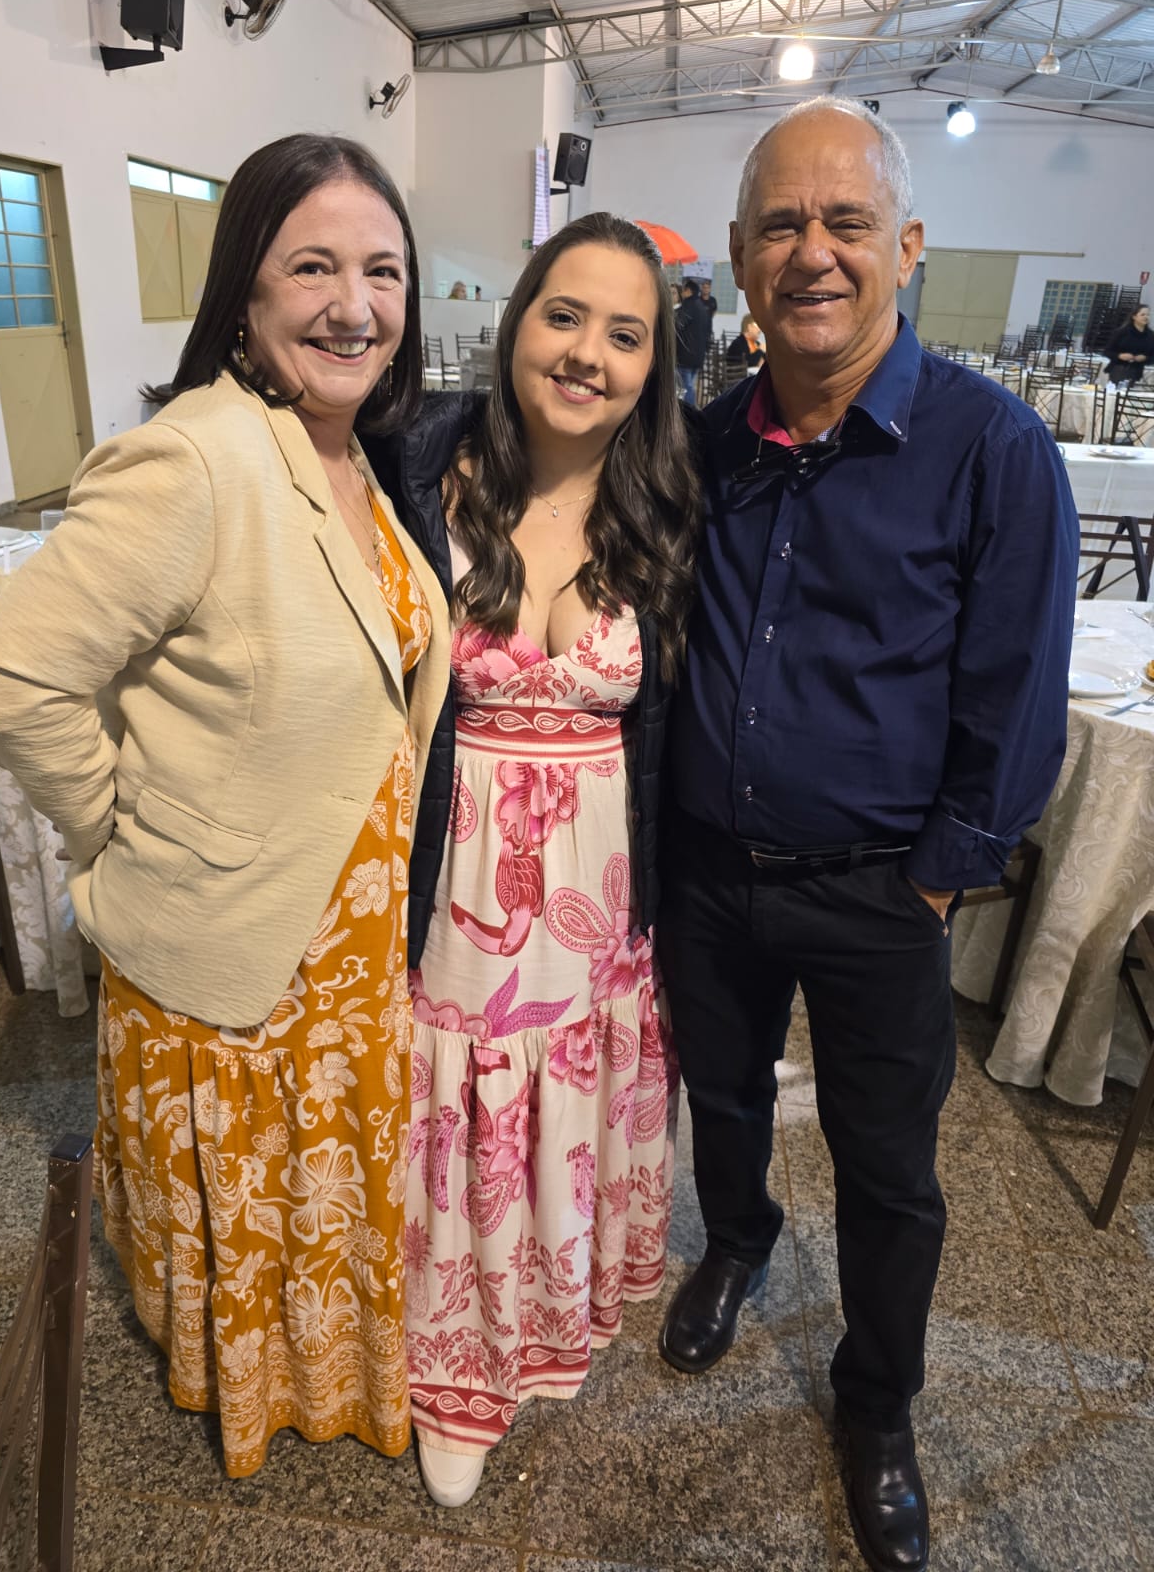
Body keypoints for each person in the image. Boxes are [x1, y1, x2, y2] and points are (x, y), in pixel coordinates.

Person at [0, 134, 452, 1479]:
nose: (355, 304)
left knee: (330, 1194)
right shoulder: (199, 458)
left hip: (345, 951)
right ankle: (252, 1388)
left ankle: (335, 1373)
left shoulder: (347, 456)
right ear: (244, 293)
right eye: (314, 267)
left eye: (382, 271)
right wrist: (123, 822)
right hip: (239, 951)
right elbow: (7, 675)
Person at [657, 98, 1077, 1572]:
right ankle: (738, 1242)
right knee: (720, 1098)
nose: (812, 254)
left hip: (881, 890)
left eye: (845, 224)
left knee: (890, 1168)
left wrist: (945, 875)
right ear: (737, 255)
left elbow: (1019, 692)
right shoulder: (705, 442)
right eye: (782, 224)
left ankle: (877, 1399)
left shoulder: (991, 448)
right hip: (710, 871)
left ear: (907, 245)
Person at [362, 212, 699, 1508]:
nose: (588, 354)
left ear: (655, 364)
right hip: (457, 879)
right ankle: (456, 1370)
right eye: (565, 316)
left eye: (627, 334)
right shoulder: (416, 462)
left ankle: (536, 1335)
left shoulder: (670, 499)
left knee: (558, 1108)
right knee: (462, 1109)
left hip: (599, 892)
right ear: (517, 324)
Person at [674, 276, 711, 406]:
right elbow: (708, 332)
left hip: (686, 355)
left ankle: (689, 414)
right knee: (689, 385)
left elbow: (678, 325)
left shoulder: (688, 305)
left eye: (683, 290)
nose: (681, 294)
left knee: (685, 387)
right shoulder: (702, 307)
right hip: (699, 354)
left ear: (688, 291)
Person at [1103, 302, 1153, 384]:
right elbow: (1107, 351)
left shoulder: (1150, 335)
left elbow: (1152, 356)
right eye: (1142, 315)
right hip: (1118, 369)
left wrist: (1145, 358)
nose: (1146, 317)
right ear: (1134, 316)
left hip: (1137, 371)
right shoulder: (1122, 332)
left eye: (1148, 315)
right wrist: (1120, 356)